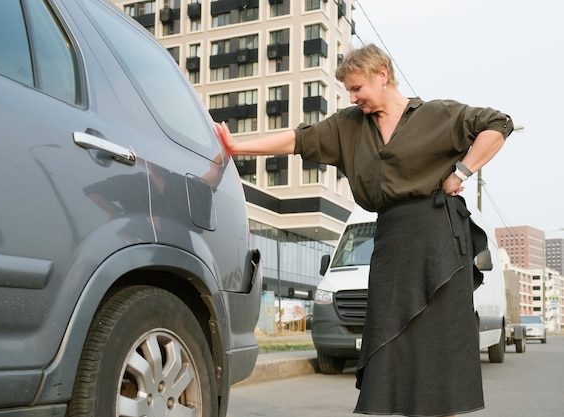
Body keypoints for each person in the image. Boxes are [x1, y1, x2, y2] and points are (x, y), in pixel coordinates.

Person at [215, 43, 514, 417]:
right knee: (396, 348)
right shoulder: (348, 126)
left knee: (437, 356)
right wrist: (239, 147)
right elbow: (297, 139)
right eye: (349, 91)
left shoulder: (438, 115)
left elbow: (498, 124)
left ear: (382, 76)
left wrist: (462, 172)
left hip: (440, 244)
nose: (353, 97)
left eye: (357, 88)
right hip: (392, 242)